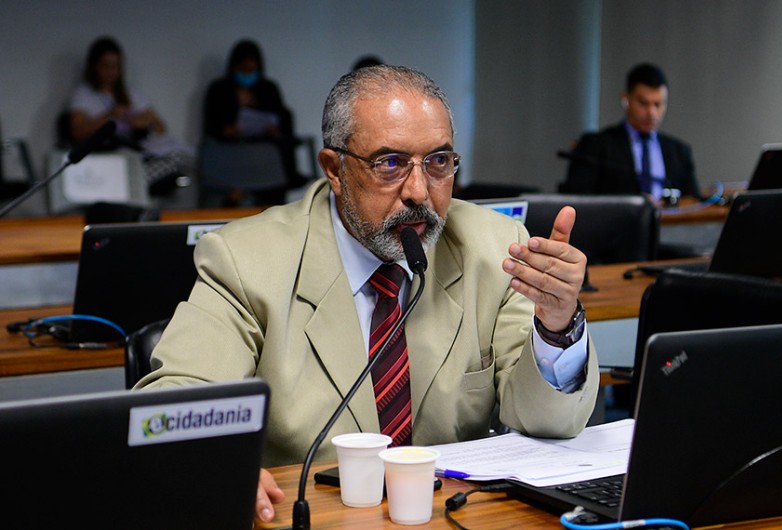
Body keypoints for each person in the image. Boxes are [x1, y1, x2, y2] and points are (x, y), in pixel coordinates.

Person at [136, 65, 599, 524]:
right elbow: (174, 406)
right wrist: (217, 462)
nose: (420, 192)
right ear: (334, 169)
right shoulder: (247, 260)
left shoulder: (493, 248)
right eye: (390, 163)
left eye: (438, 162)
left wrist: (558, 323)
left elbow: (547, 423)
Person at [67, 36, 194, 193]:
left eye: (115, 66)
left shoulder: (131, 93)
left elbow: (161, 128)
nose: (111, 72)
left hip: (140, 155)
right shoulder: (84, 94)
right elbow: (77, 132)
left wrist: (144, 121)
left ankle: (135, 188)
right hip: (111, 157)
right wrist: (110, 115)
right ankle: (132, 188)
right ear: (94, 66)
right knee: (134, 168)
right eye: (106, 66)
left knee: (180, 156)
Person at [562, 63, 700, 203]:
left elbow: (694, 204)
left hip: (670, 223)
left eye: (658, 104)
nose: (651, 113)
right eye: (643, 103)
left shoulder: (679, 152)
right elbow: (577, 199)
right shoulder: (597, 146)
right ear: (626, 99)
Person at [202, 38, 301, 205]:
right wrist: (230, 128)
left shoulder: (268, 89)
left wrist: (271, 128)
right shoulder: (219, 90)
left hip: (263, 153)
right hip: (230, 152)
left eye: (252, 69)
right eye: (243, 69)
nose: (248, 74)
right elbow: (212, 126)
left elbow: (282, 118)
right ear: (234, 67)